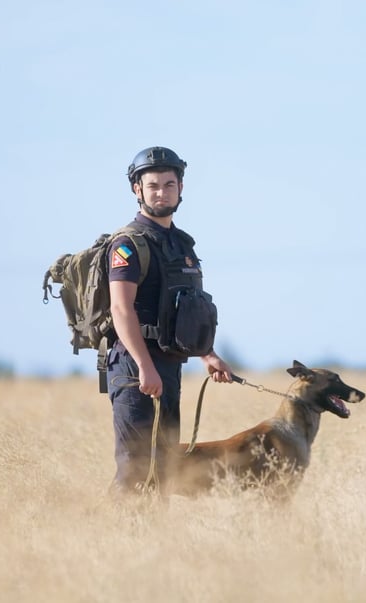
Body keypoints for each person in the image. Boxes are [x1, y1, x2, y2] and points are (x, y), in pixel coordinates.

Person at [106, 145, 233, 494]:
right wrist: (144, 367)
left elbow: (191, 310)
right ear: (138, 190)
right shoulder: (128, 244)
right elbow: (121, 309)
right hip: (134, 368)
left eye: (169, 185)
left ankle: (155, 530)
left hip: (169, 365)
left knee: (164, 468)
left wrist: (207, 354)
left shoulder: (182, 245)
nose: (161, 192)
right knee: (135, 468)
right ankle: (106, 526)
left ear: (180, 188)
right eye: (152, 186)